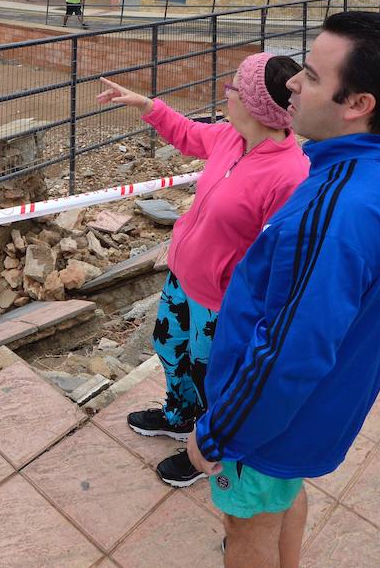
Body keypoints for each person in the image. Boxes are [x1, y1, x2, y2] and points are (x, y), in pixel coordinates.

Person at [185, 11, 380, 567]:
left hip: (271, 422)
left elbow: (290, 352)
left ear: (359, 104)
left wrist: (218, 433)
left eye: (314, 77)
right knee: (281, 499)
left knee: (246, 527)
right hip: (321, 408)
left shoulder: (335, 211)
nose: (293, 82)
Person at [95, 52, 308, 488]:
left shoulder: (289, 174)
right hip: (184, 278)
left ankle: (205, 451)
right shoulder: (231, 137)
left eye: (235, 86)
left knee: (211, 376)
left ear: (253, 104)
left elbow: (277, 259)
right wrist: (146, 106)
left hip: (223, 301)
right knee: (169, 348)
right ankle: (178, 416)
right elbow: (190, 135)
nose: (226, 91)